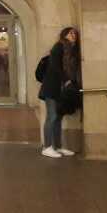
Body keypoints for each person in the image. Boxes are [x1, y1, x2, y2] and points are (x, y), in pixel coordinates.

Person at [39, 27, 81, 158]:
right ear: (64, 35)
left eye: (75, 33)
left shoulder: (72, 50)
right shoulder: (59, 46)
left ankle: (57, 146)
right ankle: (47, 147)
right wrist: (66, 80)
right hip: (52, 87)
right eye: (70, 33)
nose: (73, 35)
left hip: (62, 89)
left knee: (58, 118)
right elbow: (55, 66)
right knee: (51, 117)